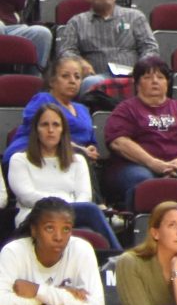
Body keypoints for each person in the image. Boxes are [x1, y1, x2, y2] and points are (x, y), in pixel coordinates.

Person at [100, 58, 177, 206]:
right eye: (147, 77)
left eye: (160, 77)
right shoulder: (125, 109)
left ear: (167, 83)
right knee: (145, 182)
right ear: (137, 84)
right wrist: (153, 163)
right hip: (137, 167)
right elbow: (119, 142)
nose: (155, 81)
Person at [8, 99, 114, 243]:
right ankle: (117, 255)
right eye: (45, 125)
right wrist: (63, 206)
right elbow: (27, 196)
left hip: (70, 216)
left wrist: (66, 210)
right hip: (34, 215)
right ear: (36, 130)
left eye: (56, 125)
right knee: (92, 210)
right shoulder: (19, 160)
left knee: (89, 232)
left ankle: (111, 258)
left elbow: (84, 196)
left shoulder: (77, 160)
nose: (50, 130)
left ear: (62, 129)